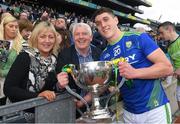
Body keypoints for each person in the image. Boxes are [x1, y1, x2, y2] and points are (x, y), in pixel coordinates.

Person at [92, 7, 173, 123]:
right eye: (98, 23)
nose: (103, 25)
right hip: (129, 113)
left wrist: (135, 73)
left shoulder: (139, 38)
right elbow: (110, 85)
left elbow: (168, 68)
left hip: (154, 110)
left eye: (106, 19)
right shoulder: (104, 55)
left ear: (116, 20)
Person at [4, 21, 59, 104]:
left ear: (55, 40)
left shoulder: (55, 60)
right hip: (19, 112)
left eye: (51, 37)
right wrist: (37, 96)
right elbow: (9, 89)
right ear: (35, 38)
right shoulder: (25, 56)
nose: (47, 41)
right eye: (42, 37)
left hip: (44, 111)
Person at [56, 22, 102, 118]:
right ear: (73, 38)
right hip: (74, 108)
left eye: (84, 34)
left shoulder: (99, 53)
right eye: (77, 34)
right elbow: (58, 85)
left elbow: (103, 82)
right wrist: (59, 85)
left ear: (91, 37)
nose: (81, 37)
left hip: (99, 104)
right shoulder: (64, 55)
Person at [0, 15, 23, 105]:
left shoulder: (22, 43)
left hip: (15, 85)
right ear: (3, 27)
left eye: (16, 27)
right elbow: (2, 65)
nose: (14, 29)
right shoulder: (3, 43)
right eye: (11, 26)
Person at [158, 21, 180, 108]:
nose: (160, 36)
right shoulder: (170, 48)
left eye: (162, 33)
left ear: (170, 29)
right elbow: (172, 65)